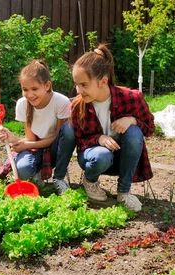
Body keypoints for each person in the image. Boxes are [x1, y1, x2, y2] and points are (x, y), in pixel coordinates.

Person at [70, 45, 154, 211]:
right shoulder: (78, 105)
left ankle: (124, 192)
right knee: (101, 155)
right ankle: (90, 181)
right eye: (76, 84)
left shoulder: (132, 98)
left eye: (84, 85)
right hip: (95, 159)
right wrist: (99, 138)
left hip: (123, 160)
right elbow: (80, 141)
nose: (79, 90)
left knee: (134, 132)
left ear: (103, 82)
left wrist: (132, 120)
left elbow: (150, 129)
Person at [0, 60, 76, 195]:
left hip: (56, 148)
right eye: (25, 89)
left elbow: (57, 138)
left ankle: (59, 178)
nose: (30, 94)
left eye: (34, 89)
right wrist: (13, 138)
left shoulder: (61, 102)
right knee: (22, 170)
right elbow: (31, 139)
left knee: (70, 130)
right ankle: (37, 174)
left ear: (47, 85)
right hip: (36, 148)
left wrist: (25, 145)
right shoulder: (23, 104)